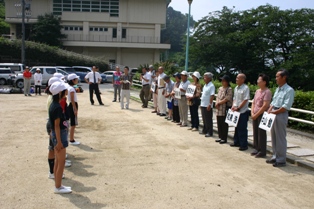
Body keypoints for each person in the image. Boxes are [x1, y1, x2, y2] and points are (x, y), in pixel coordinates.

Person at [267, 69, 295, 167]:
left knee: (280, 137)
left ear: (284, 77)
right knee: (273, 136)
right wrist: (270, 110)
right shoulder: (278, 89)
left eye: (277, 76)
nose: (276, 79)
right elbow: (273, 102)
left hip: (280, 114)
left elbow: (286, 106)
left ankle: (281, 159)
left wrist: (274, 111)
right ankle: (275, 156)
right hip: (273, 113)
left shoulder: (289, 90)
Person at [49, 81, 72, 194]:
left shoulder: (54, 104)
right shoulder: (57, 107)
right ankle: (58, 187)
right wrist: (58, 142)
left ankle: (58, 184)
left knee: (58, 160)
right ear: (59, 93)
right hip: (60, 135)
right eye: (64, 90)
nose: (66, 92)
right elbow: (57, 125)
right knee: (61, 161)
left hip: (57, 134)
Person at [251, 74, 272, 158]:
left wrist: (256, 114)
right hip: (255, 113)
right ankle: (256, 147)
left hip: (262, 114)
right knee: (255, 131)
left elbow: (265, 105)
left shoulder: (267, 92)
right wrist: (252, 113)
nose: (257, 81)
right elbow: (253, 102)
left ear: (264, 82)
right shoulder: (257, 91)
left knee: (261, 133)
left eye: (259, 80)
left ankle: (262, 150)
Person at [230, 73, 250, 151]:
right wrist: (233, 106)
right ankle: (236, 142)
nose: (236, 79)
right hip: (236, 110)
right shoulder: (236, 88)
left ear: (243, 79)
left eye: (238, 78)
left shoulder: (246, 88)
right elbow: (235, 98)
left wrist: (238, 107)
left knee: (242, 128)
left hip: (243, 111)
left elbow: (245, 99)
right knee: (236, 127)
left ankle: (244, 145)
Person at [215, 75, 233, 144]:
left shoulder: (229, 89)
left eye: (224, 81)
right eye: (222, 80)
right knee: (219, 122)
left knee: (224, 123)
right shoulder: (220, 88)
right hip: (219, 108)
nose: (222, 82)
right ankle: (220, 136)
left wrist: (219, 103)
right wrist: (217, 103)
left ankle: (224, 138)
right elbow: (217, 97)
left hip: (224, 108)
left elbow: (227, 98)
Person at [200, 72, 215, 137]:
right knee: (204, 118)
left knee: (208, 118)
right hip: (203, 104)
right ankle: (205, 129)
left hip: (207, 104)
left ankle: (209, 131)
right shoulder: (205, 85)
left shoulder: (211, 86)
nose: (204, 78)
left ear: (209, 78)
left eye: (205, 77)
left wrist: (210, 104)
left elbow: (212, 95)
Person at [67, 73, 81, 145]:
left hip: (71, 104)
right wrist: (74, 108)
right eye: (76, 79)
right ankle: (71, 139)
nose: (77, 80)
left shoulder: (69, 87)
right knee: (73, 123)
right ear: (73, 80)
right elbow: (72, 99)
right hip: (73, 104)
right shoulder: (71, 89)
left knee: (72, 122)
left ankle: (71, 138)